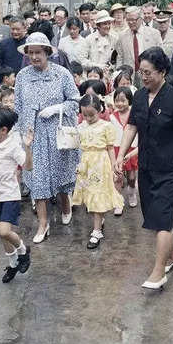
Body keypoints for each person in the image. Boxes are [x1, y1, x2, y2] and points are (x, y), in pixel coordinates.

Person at [116, 47, 173, 289]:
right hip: (147, 167)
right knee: (152, 217)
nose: (144, 77)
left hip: (171, 167)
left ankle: (158, 272)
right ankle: (170, 256)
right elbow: (132, 127)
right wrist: (120, 155)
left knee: (163, 220)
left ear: (162, 72)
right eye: (141, 72)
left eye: (148, 72)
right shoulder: (139, 96)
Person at [14, 32, 80, 243]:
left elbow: (74, 101)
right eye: (30, 53)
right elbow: (18, 106)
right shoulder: (22, 76)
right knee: (39, 179)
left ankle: (65, 203)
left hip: (57, 133)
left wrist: (56, 108)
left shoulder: (61, 74)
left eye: (38, 52)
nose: (34, 57)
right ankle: (43, 224)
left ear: (47, 53)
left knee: (60, 175)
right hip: (33, 136)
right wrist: (19, 132)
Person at [0, 106, 34, 283]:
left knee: (4, 231)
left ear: (3, 130)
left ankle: (23, 251)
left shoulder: (12, 146)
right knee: (1, 233)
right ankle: (12, 264)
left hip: (10, 195)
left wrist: (28, 148)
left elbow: (27, 166)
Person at [71, 94, 124, 249]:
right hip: (86, 163)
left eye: (91, 115)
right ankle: (98, 221)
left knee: (97, 194)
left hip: (101, 163)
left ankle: (96, 231)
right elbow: (77, 148)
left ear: (100, 110)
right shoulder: (80, 127)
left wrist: (115, 166)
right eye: (84, 115)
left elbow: (110, 148)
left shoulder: (106, 126)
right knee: (89, 195)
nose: (88, 118)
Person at [110, 86, 138, 212]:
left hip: (132, 148)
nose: (119, 103)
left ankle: (132, 192)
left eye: (123, 100)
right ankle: (118, 202)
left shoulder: (134, 114)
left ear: (129, 101)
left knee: (132, 177)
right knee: (118, 177)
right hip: (116, 148)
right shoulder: (111, 117)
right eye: (117, 100)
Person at [113, 6, 162, 71]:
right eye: (128, 20)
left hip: (150, 75)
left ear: (141, 19)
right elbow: (120, 58)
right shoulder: (122, 36)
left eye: (133, 20)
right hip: (129, 76)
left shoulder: (154, 34)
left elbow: (160, 57)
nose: (130, 22)